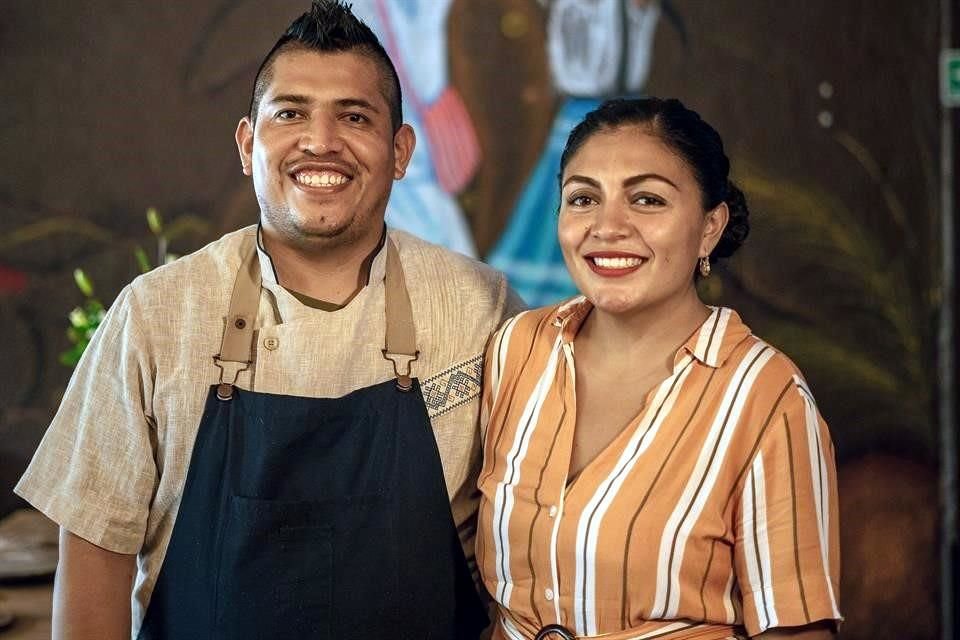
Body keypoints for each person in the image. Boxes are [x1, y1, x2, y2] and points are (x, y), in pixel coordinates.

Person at [16, 1, 522, 638]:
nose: (321, 141)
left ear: (400, 151)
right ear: (248, 144)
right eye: (291, 113)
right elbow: (91, 572)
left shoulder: (480, 307)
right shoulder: (156, 315)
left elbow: (533, 548)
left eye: (354, 116)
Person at [475, 98, 842, 640]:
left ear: (710, 227)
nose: (607, 227)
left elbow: (799, 631)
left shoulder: (767, 397)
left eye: (646, 199)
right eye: (583, 198)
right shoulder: (517, 349)